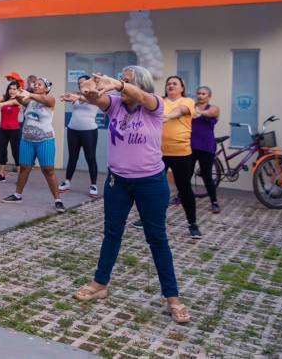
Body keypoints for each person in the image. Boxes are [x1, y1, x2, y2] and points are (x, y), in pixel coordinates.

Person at [66, 67, 190, 325]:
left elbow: (142, 97)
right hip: (118, 182)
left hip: (150, 183)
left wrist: (119, 85)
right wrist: (91, 87)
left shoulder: (154, 106)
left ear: (140, 84)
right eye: (120, 80)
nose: (120, 85)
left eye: (126, 81)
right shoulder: (115, 105)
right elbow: (94, 97)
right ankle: (100, 284)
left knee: (157, 239)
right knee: (112, 233)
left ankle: (173, 298)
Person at [1, 77, 65, 213]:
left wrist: (29, 93)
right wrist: (16, 93)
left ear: (46, 89)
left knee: (48, 171)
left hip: (45, 140)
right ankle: (17, 195)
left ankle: (58, 200)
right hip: (27, 140)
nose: (36, 85)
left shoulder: (50, 100)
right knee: (24, 168)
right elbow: (20, 100)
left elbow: (46, 100)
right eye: (35, 84)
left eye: (39, 84)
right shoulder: (29, 101)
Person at [151, 76, 201, 239]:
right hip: (158, 153)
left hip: (181, 153)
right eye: (168, 83)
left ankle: (192, 224)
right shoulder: (159, 101)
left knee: (184, 189)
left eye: (175, 83)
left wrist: (168, 116)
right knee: (154, 188)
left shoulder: (188, 101)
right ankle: (148, 218)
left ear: (182, 88)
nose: (171, 85)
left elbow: (181, 111)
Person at [60, 75, 100, 196]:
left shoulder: (96, 95)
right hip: (72, 130)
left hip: (89, 131)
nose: (80, 84)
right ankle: (67, 182)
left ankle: (93, 185)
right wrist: (68, 97)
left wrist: (76, 97)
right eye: (79, 83)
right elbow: (74, 98)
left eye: (82, 82)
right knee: (72, 157)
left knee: (90, 158)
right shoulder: (76, 95)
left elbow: (90, 100)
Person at [192, 86, 221, 214]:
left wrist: (198, 112)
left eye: (203, 94)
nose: (200, 95)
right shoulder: (191, 107)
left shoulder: (213, 108)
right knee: (186, 174)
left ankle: (214, 201)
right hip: (190, 146)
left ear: (209, 97)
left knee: (206, 175)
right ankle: (181, 196)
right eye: (199, 93)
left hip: (206, 146)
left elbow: (211, 113)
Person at [0, 80, 21, 182]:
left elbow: (13, 102)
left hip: (14, 131)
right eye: (10, 88)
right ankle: (2, 175)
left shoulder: (19, 100)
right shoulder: (4, 98)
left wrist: (1, 103)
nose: (12, 91)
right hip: (3, 130)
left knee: (16, 153)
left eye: (14, 89)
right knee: (2, 152)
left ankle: (20, 177)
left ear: (18, 90)